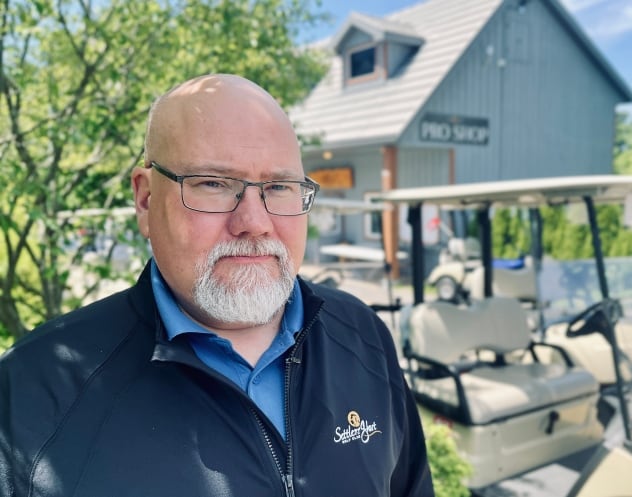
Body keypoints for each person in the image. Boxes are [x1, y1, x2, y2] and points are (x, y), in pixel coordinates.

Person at [0, 74, 434, 497]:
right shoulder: (33, 393)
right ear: (146, 199)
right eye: (213, 184)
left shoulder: (362, 333)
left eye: (279, 186)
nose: (254, 224)